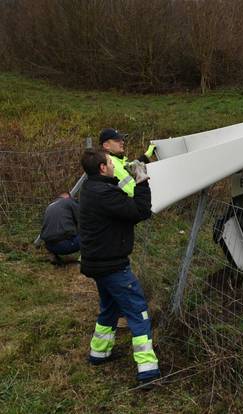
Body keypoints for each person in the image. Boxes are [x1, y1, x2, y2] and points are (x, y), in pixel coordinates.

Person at [78, 148, 159, 388]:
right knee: (138, 312)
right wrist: (142, 181)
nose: (114, 166)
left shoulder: (92, 188)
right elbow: (140, 211)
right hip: (112, 266)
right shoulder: (105, 194)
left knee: (110, 308)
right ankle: (147, 369)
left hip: (96, 263)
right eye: (110, 164)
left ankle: (99, 353)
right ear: (102, 168)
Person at [99, 128, 156, 197]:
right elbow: (131, 191)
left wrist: (147, 155)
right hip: (132, 203)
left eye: (122, 139)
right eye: (117, 140)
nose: (122, 142)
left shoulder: (115, 160)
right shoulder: (111, 162)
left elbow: (131, 166)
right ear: (106, 145)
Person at [40, 192, 80, 265]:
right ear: (68, 197)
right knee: (90, 235)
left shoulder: (50, 206)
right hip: (65, 246)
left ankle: (53, 255)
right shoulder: (69, 201)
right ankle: (84, 260)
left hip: (48, 245)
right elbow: (82, 220)